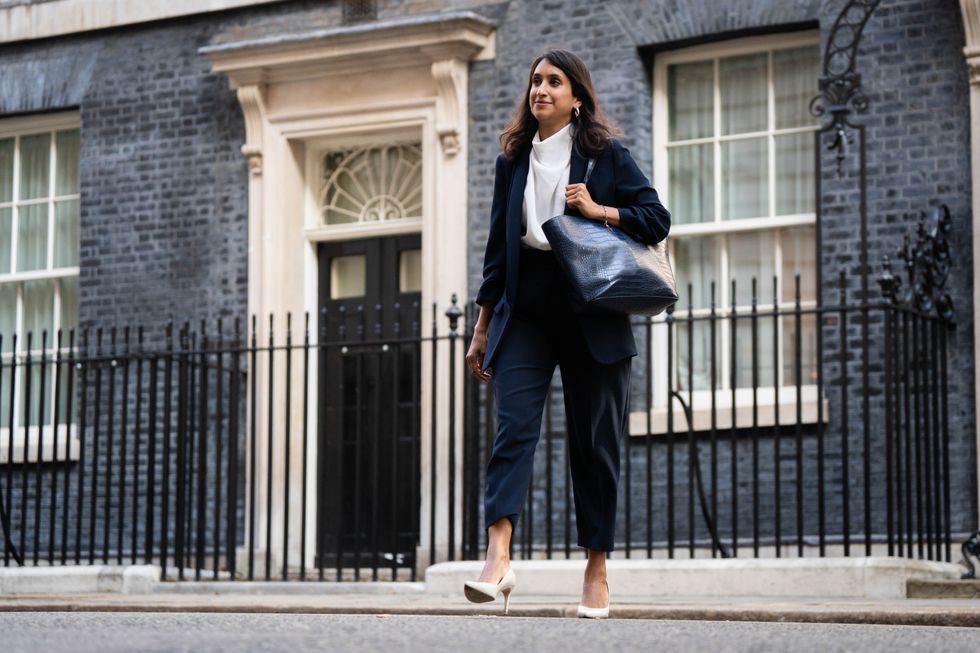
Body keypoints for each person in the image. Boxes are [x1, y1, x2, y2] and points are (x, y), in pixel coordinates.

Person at [463, 48, 671, 618]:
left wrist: (602, 210)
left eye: (554, 81)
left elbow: (657, 218)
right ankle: (498, 555)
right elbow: (495, 256)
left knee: (595, 445)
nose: (541, 89)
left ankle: (597, 568)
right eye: (535, 80)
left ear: (576, 96)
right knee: (513, 431)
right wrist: (483, 329)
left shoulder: (605, 154)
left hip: (592, 311)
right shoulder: (512, 161)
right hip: (526, 311)